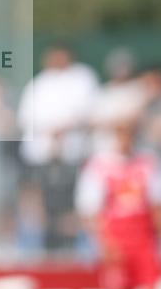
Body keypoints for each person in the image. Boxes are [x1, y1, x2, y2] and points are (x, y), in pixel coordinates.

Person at [75, 117, 161, 289]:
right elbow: (90, 210)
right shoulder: (99, 166)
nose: (125, 139)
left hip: (144, 240)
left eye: (129, 133)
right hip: (117, 242)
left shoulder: (149, 163)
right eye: (120, 133)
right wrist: (103, 242)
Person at [16, 44, 99, 250]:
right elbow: (25, 118)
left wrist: (64, 130)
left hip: (73, 154)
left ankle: (72, 247)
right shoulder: (39, 83)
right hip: (41, 156)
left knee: (72, 204)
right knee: (41, 205)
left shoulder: (83, 78)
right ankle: (42, 246)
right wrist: (49, 134)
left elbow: (90, 112)